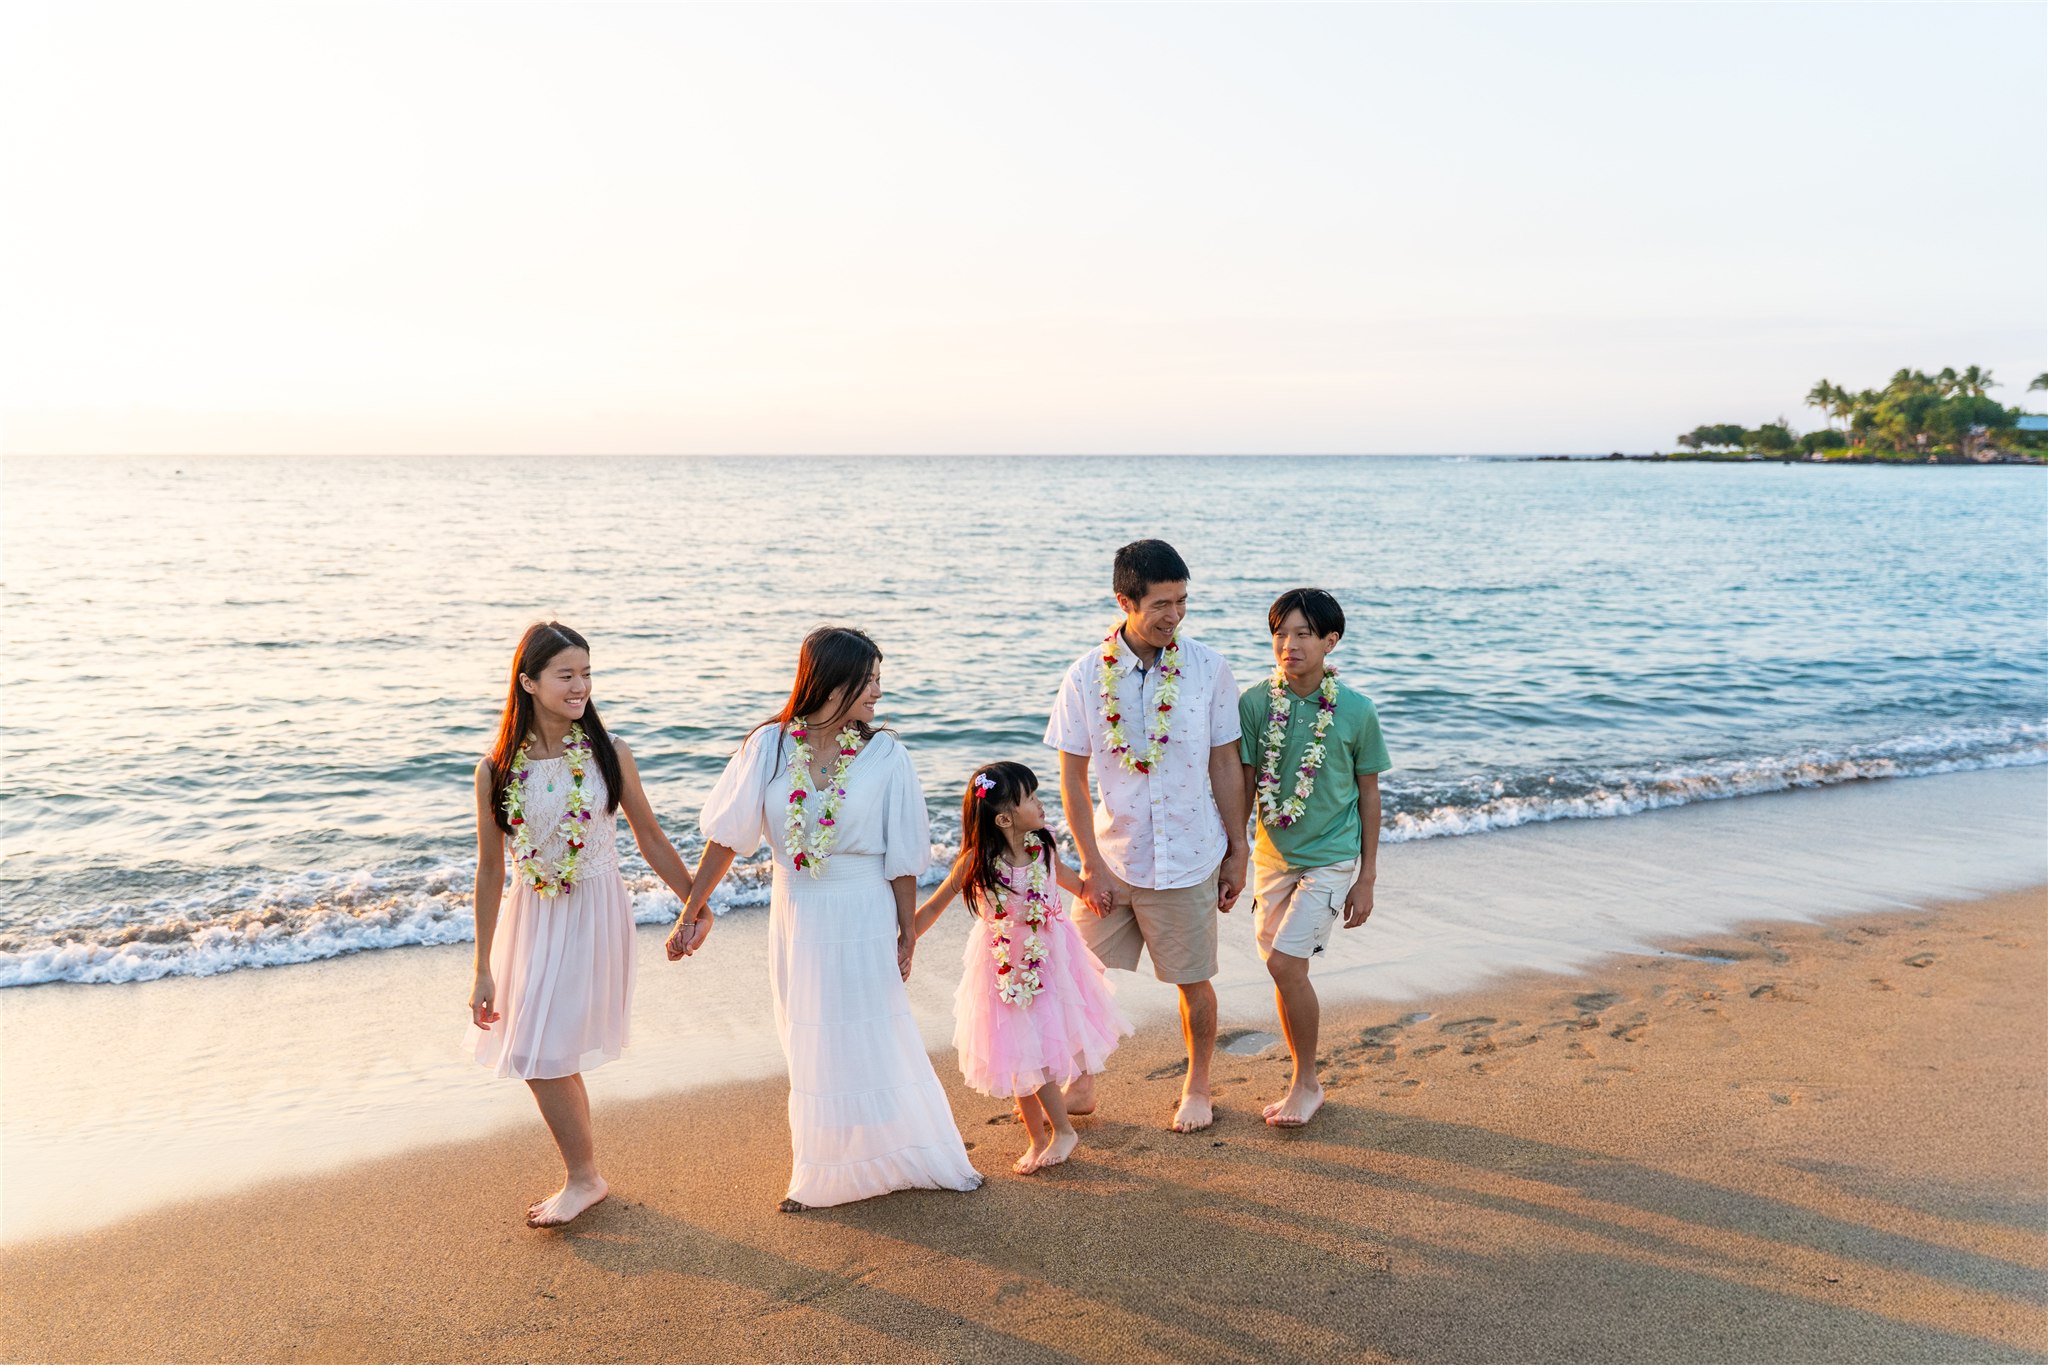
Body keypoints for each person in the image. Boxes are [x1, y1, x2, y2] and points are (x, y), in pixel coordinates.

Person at [664, 626, 982, 1210]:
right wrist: (691, 908)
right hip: (798, 911)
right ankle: (826, 1165)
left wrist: (907, 930)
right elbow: (728, 837)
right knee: (808, 1028)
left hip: (863, 904)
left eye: (880, 680)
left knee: (869, 1024)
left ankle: (893, 1148)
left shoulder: (888, 754)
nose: (878, 693)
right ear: (832, 680)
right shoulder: (769, 747)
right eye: (870, 680)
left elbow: (903, 853)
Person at [468, 622, 698, 1228]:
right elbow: (491, 871)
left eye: (587, 673)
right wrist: (481, 968)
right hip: (531, 915)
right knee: (539, 1049)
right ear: (529, 682)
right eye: (567, 675)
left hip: (594, 909)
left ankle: (583, 1177)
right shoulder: (495, 770)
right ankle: (585, 1174)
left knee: (542, 1050)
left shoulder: (608, 753)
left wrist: (695, 905)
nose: (581, 686)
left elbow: (649, 837)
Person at [1044, 539, 1249, 1133]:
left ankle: (1199, 1085)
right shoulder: (1085, 676)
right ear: (1124, 600)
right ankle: (1079, 1077)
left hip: (1190, 855)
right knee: (1076, 973)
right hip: (1114, 854)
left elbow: (1224, 765)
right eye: (1161, 604)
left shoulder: (1209, 668)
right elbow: (1072, 782)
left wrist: (1236, 853)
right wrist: (1090, 867)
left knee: (1193, 981)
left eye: (1183, 602)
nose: (1174, 616)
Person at [912, 761, 1133, 1174]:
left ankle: (1063, 1132)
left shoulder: (1043, 846)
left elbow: (1069, 879)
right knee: (1018, 1055)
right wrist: (904, 941)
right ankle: (1038, 1139)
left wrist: (1093, 894)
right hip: (1000, 968)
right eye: (1031, 798)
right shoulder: (976, 862)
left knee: (1040, 1052)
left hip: (1051, 963)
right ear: (1004, 818)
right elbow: (932, 908)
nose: (1040, 803)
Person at [1237, 588, 1390, 1127]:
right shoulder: (1255, 703)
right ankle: (1304, 1077)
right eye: (1280, 634)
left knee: (1284, 963)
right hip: (1271, 858)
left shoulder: (1356, 710)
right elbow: (1246, 783)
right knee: (1283, 969)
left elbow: (1369, 793)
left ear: (1331, 640)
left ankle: (1307, 1082)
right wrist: (1234, 853)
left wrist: (1367, 877)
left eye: (1303, 634)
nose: (1289, 644)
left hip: (1331, 858)